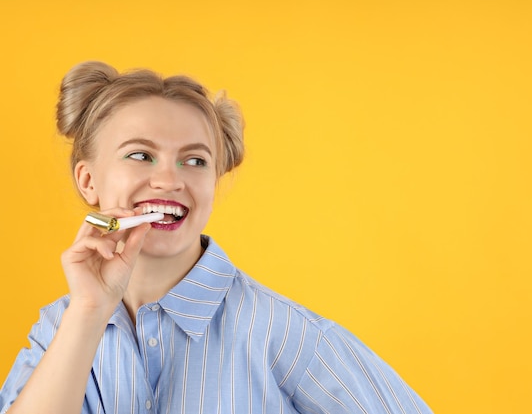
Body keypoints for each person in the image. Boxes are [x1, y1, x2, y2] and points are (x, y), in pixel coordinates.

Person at [0, 61, 434, 414]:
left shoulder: (284, 334)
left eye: (195, 161)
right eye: (140, 155)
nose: (169, 179)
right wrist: (90, 310)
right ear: (88, 180)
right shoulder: (60, 327)